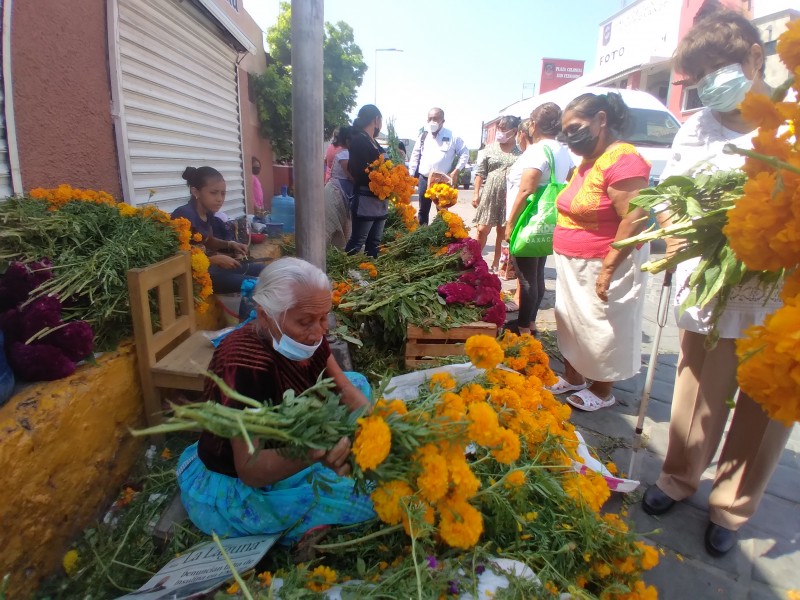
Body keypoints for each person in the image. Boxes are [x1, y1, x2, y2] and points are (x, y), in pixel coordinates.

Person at [640, 10, 792, 558]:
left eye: (719, 68)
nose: (711, 84)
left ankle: (733, 504)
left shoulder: (789, 123)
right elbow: (668, 195)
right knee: (696, 386)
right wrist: (671, 231)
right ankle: (678, 477)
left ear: (756, 56)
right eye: (700, 75)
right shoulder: (696, 128)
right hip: (708, 283)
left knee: (763, 399)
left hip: (775, 292)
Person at [176, 258, 375, 544]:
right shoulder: (243, 365)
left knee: (358, 382)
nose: (319, 331)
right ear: (265, 315)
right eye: (305, 321)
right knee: (369, 498)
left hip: (291, 433)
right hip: (244, 479)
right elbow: (250, 469)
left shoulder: (309, 333)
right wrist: (315, 451)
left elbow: (344, 388)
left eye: (323, 317)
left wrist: (378, 428)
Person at [549, 93, 651, 412]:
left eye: (575, 127)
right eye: (565, 131)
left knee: (602, 326)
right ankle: (574, 377)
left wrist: (608, 267)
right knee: (572, 322)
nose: (570, 137)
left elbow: (635, 216)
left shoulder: (624, 158)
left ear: (601, 120)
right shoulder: (588, 160)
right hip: (573, 262)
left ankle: (603, 389)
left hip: (605, 262)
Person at [505, 104, 573, 335]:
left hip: (529, 220)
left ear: (534, 125)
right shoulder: (564, 151)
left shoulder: (538, 150)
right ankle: (530, 322)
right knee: (537, 273)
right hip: (546, 220)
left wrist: (511, 223)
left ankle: (523, 327)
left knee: (526, 277)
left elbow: (525, 190)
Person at [172, 166, 263, 294]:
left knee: (266, 271)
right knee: (257, 285)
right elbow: (177, 258)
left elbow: (208, 240)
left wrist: (231, 244)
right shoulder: (183, 216)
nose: (220, 199)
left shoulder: (207, 213)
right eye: (213, 193)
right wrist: (214, 260)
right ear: (196, 192)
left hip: (212, 269)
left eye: (223, 193)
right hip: (196, 278)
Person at [472, 115, 522, 271]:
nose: (499, 132)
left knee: (502, 231)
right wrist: (476, 193)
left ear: (514, 131)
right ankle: (475, 262)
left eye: (503, 129)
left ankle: (497, 264)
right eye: (498, 128)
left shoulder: (520, 151)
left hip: (509, 196)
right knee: (482, 230)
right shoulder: (490, 149)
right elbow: (480, 173)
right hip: (489, 194)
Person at [407, 107, 469, 225]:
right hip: (424, 179)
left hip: (442, 182)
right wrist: (411, 174)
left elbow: (465, 153)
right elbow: (415, 156)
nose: (432, 121)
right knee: (422, 211)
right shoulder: (423, 136)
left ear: (443, 121)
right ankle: (422, 238)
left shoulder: (452, 137)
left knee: (442, 212)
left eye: (435, 119)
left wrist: (456, 171)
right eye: (430, 119)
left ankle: (439, 239)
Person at [344, 105, 387, 257]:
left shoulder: (374, 142)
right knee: (358, 242)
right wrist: (380, 178)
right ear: (376, 120)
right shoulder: (359, 140)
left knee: (374, 243)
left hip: (379, 202)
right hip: (365, 201)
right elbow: (356, 171)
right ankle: (343, 272)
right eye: (381, 120)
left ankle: (370, 275)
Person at [324, 126, 354, 249]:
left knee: (342, 235)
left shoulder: (348, 153)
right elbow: (354, 177)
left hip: (342, 197)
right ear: (348, 140)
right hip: (334, 197)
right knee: (328, 232)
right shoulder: (344, 154)